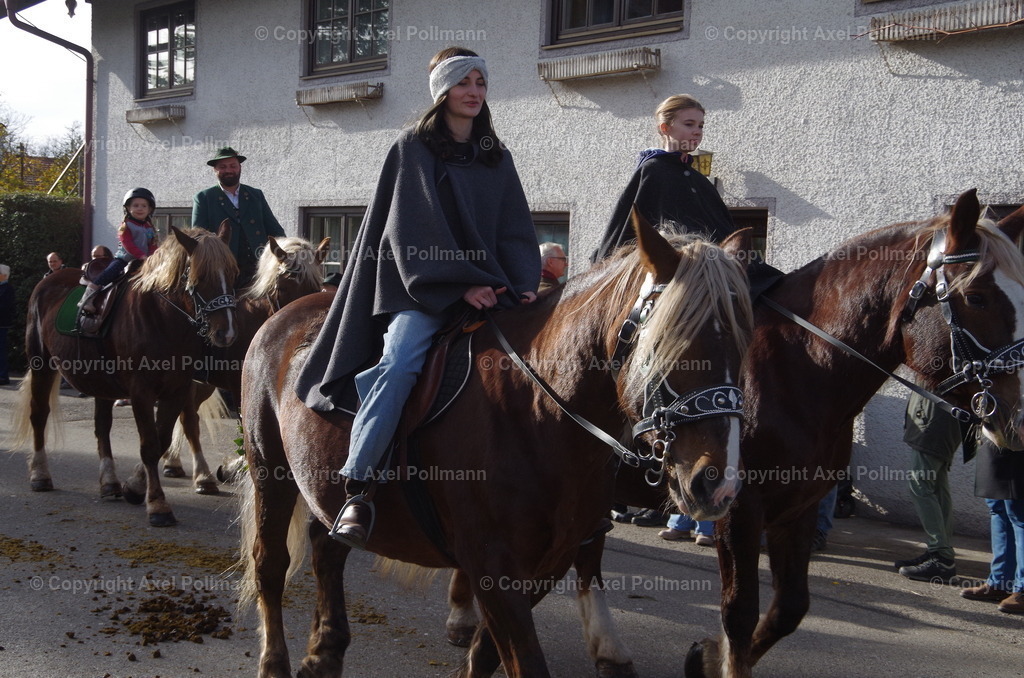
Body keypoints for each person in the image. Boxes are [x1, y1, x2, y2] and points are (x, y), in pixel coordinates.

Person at [295, 47, 541, 550]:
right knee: (400, 363)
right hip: (425, 290)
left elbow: (515, 227)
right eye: (463, 82)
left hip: (493, 288)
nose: (474, 91)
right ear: (442, 91)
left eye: (480, 81)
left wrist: (524, 283)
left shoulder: (496, 155)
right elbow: (410, 230)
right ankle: (359, 486)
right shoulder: (414, 147)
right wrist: (459, 285)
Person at [591, 94, 737, 262]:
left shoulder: (700, 180)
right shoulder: (653, 170)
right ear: (665, 128)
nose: (697, 131)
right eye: (689, 124)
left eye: (701, 125)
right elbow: (628, 231)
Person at [894, 390, 974, 582]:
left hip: (935, 420)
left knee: (920, 483)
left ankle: (941, 556)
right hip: (935, 418)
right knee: (937, 486)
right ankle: (939, 553)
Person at [192, 146, 285, 287]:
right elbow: (199, 237)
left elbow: (274, 229)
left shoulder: (255, 195)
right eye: (223, 167)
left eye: (233, 166)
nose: (228, 170)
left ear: (240, 167)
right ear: (215, 170)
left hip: (258, 266)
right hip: (224, 268)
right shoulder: (204, 197)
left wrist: (287, 252)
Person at [961, 441, 1024, 613]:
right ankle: (1000, 582)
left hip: (1018, 440)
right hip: (994, 437)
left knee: (1019, 513)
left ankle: (1022, 589)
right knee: (998, 507)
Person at [80, 188, 159, 314]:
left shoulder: (150, 228)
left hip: (145, 261)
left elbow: (153, 245)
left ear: (150, 209)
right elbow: (128, 243)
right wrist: (142, 256)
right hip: (125, 259)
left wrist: (153, 257)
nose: (140, 208)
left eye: (144, 206)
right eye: (136, 205)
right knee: (111, 271)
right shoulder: (125, 225)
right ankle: (89, 295)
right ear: (128, 208)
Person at [0, 264, 13, 386]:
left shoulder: (8, 288)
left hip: (2, 323)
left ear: (4, 275)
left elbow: (6, 306)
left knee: (1, 350)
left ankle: (3, 376)